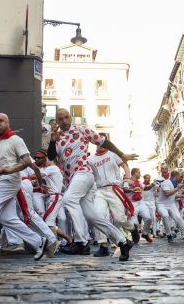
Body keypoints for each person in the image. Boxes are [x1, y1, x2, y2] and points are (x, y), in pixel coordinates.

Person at [47, 108, 136, 261]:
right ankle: (123, 242)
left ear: (71, 117)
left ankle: (81, 242)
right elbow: (50, 156)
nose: (64, 121)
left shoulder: (82, 130)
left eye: (66, 117)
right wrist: (52, 139)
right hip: (73, 180)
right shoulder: (57, 137)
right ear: (57, 121)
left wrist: (122, 155)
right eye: (60, 119)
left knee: (68, 200)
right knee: (92, 217)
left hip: (84, 173)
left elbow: (104, 142)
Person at [0, 113, 54, 261]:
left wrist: (10, 170)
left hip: (10, 180)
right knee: (8, 219)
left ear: (8, 123)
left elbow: (27, 162)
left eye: (1, 121)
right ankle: (39, 241)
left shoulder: (16, 140)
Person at [88, 135, 135, 257]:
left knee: (119, 218)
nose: (100, 143)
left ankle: (132, 228)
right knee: (98, 216)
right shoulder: (91, 159)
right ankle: (103, 245)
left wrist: (128, 177)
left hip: (114, 189)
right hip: (99, 190)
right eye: (98, 141)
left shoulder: (113, 154)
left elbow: (124, 165)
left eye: (102, 141)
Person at [157, 170, 184, 244]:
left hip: (171, 204)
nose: (181, 178)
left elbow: (174, 195)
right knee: (165, 216)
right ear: (176, 176)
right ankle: (168, 235)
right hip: (161, 204)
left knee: (178, 218)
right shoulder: (167, 182)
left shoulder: (174, 184)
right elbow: (167, 193)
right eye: (180, 177)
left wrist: (183, 195)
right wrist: (178, 188)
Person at [124, 168, 153, 243]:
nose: (140, 174)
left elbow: (146, 188)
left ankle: (145, 234)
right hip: (131, 203)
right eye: (139, 172)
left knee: (148, 218)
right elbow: (124, 189)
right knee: (134, 223)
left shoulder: (139, 182)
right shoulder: (127, 181)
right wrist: (132, 189)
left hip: (140, 202)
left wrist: (153, 184)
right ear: (135, 173)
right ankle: (135, 237)